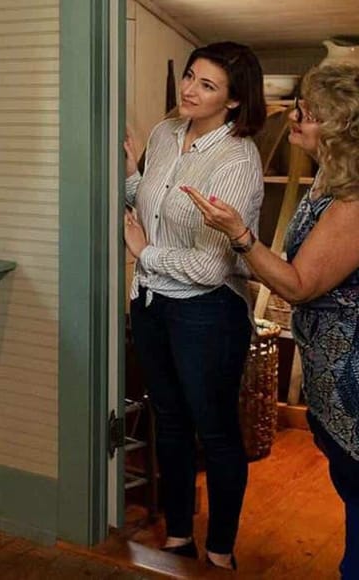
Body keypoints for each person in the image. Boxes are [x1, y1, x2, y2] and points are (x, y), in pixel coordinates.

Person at [185, 63, 359, 579]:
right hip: (329, 371)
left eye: (310, 112)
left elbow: (299, 283)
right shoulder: (328, 180)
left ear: (340, 128)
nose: (297, 117)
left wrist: (239, 234)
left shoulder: (353, 203)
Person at [123, 41, 266, 570]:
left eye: (207, 85)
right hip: (153, 302)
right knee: (171, 422)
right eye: (190, 76)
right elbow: (152, 205)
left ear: (233, 102)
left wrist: (144, 252)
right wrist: (131, 176)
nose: (189, 89)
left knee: (216, 429)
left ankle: (221, 550)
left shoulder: (238, 160)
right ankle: (180, 534)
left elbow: (210, 268)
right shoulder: (165, 134)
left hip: (207, 314)